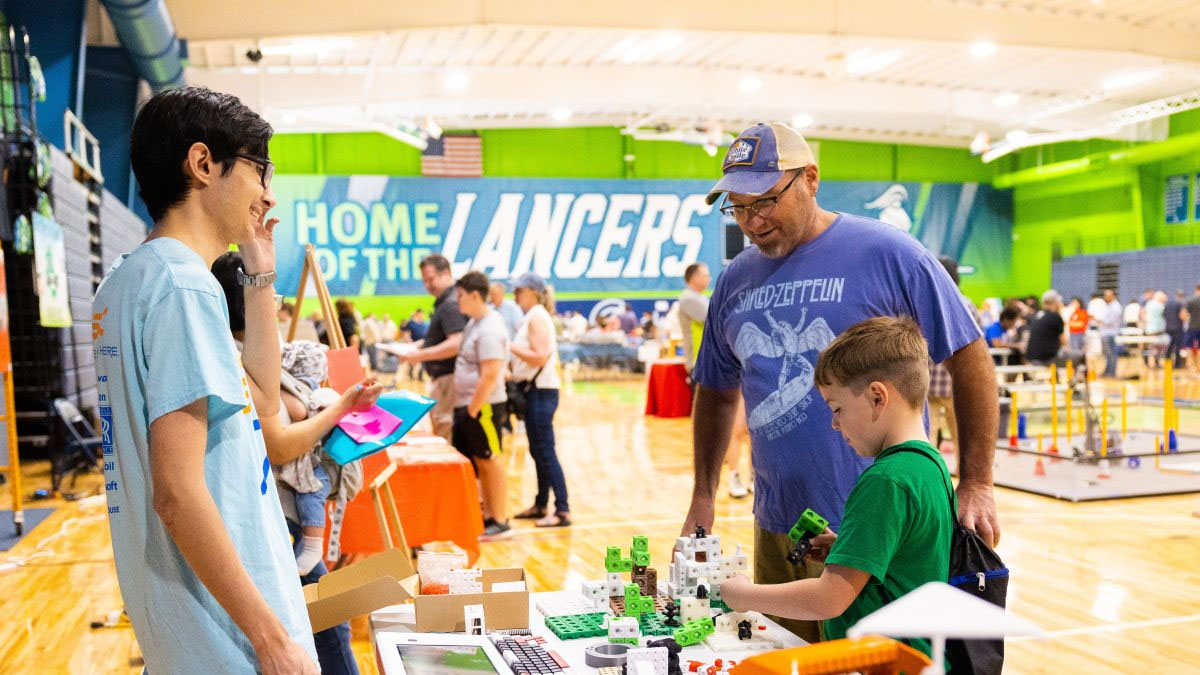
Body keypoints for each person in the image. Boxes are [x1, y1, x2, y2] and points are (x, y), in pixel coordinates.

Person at [687, 122, 997, 644]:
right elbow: (717, 392)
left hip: (877, 525)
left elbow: (970, 357)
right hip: (780, 522)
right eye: (737, 207)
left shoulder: (890, 253)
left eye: (764, 201)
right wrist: (703, 494)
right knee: (784, 652)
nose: (751, 221)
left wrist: (978, 481)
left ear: (810, 178)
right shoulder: (736, 279)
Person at [91, 86, 318, 674]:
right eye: (259, 168)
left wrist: (260, 271)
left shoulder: (128, 280)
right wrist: (269, 637)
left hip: (187, 631)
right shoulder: (182, 287)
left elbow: (262, 400)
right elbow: (177, 492)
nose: (268, 191)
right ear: (202, 164)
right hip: (230, 641)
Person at [720, 316, 955, 665]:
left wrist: (745, 596)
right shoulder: (929, 464)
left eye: (837, 409)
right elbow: (905, 560)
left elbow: (828, 598)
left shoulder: (885, 480)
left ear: (878, 397)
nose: (834, 423)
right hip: (915, 657)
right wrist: (845, 550)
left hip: (882, 663)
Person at [212, 252, 381, 675]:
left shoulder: (256, 356)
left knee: (327, 626)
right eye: (269, 292)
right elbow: (281, 447)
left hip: (280, 515)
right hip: (270, 518)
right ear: (245, 300)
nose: (278, 304)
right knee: (324, 629)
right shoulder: (235, 362)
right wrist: (341, 406)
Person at [452, 271, 512, 539]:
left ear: (475, 295)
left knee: (490, 460)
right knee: (480, 461)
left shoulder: (490, 328)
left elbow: (490, 374)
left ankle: (499, 519)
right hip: (470, 404)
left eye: (461, 296)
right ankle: (488, 515)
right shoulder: (475, 323)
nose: (458, 301)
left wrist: (473, 410)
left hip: (483, 406)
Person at [508, 272, 570, 528]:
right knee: (537, 450)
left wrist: (508, 346)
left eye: (518, 290)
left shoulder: (536, 317)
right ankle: (541, 502)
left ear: (532, 292)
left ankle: (562, 509)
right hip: (535, 389)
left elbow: (540, 356)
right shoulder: (532, 317)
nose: (515, 295)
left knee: (545, 450)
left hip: (541, 391)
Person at [402, 255, 467, 441]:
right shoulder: (444, 302)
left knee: (446, 430)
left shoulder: (450, 304)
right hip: (446, 379)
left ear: (446, 273)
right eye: (424, 281)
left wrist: (421, 354)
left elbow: (456, 342)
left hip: (450, 379)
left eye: (430, 279)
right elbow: (440, 339)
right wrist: (416, 348)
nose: (427, 285)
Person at [1025, 290, 1068, 365]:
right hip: (1046, 359)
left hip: (1031, 357)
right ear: (1055, 302)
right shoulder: (1055, 317)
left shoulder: (1038, 316)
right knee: (1079, 356)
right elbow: (1064, 343)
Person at [1100, 289, 1124, 377]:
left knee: (1112, 354)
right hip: (1106, 333)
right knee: (1107, 355)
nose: (1105, 297)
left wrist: (1099, 319)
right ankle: (1107, 371)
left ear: (1113, 296)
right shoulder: (1109, 306)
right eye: (1105, 295)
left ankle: (1111, 372)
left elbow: (1110, 321)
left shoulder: (1116, 307)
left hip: (1110, 333)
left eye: (1108, 295)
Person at [1165, 290, 1186, 369]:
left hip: (1168, 328)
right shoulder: (1180, 304)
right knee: (1178, 346)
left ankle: (1167, 364)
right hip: (1177, 328)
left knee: (1169, 347)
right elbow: (1182, 316)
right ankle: (1177, 365)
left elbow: (1164, 315)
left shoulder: (1167, 304)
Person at [1186, 285, 1200, 373]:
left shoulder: (1191, 300)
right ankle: (1199, 366)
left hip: (1192, 327)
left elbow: (1184, 314)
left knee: (1189, 346)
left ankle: (1190, 365)